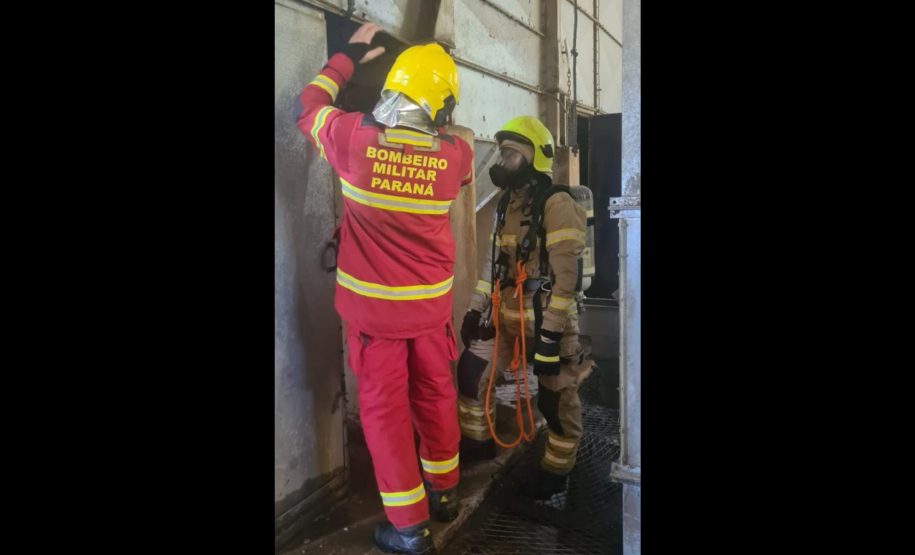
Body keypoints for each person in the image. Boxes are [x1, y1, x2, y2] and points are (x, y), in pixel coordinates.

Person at [295, 23, 473, 555]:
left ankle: (409, 529)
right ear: (441, 105)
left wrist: (347, 56)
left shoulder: (351, 138)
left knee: (386, 416)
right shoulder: (457, 156)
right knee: (436, 397)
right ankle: (445, 493)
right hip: (430, 313)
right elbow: (454, 168)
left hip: (375, 321)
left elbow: (309, 107)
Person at [457, 116, 593, 499]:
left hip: (549, 321)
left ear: (535, 159)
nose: (503, 161)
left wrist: (549, 338)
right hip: (505, 316)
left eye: (511, 154)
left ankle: (555, 472)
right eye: (502, 154)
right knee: (470, 372)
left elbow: (566, 279)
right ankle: (478, 444)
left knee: (555, 399)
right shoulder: (506, 205)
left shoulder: (558, 204)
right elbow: (492, 266)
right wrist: (474, 310)